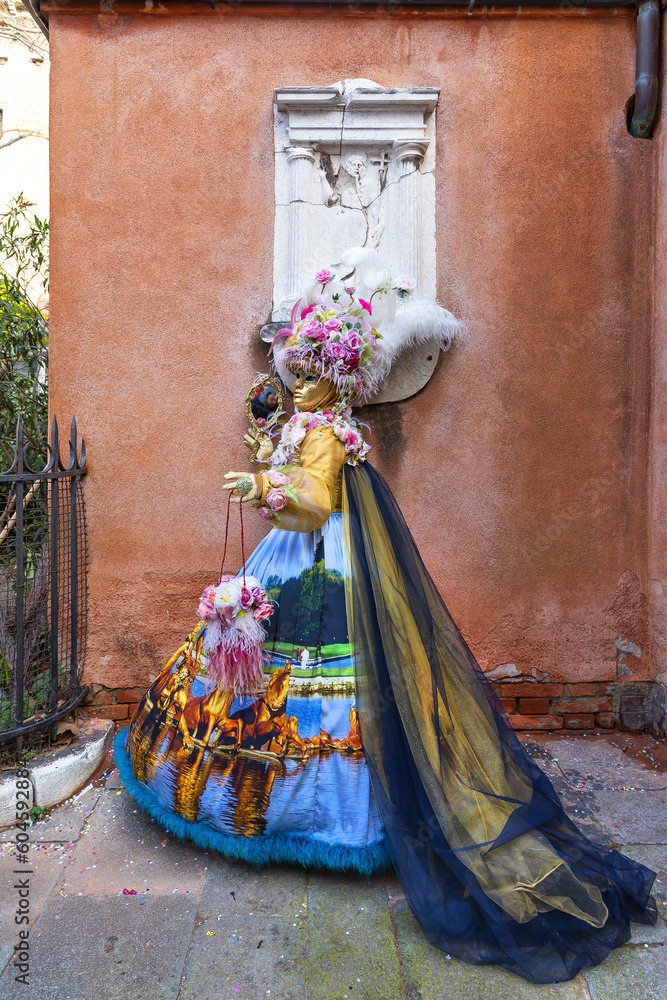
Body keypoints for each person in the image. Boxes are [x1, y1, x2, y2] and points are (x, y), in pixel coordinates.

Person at [115, 249, 657, 985]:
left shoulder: (329, 435)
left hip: (316, 558)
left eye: (309, 374)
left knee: (317, 680)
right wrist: (267, 461)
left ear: (336, 379)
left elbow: (314, 505)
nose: (295, 383)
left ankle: (334, 821)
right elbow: (295, 477)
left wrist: (260, 489)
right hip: (298, 560)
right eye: (294, 371)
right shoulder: (313, 425)